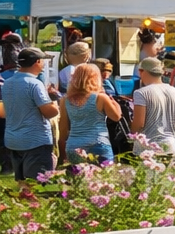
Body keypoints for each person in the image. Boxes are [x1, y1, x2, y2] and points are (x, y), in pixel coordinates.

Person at [2, 48, 59, 180]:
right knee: (39, 185)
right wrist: (55, 102)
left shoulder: (8, 83)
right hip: (35, 141)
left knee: (23, 186)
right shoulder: (34, 84)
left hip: (13, 140)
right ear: (37, 62)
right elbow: (49, 112)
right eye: (43, 61)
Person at [58, 63, 122, 166]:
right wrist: (114, 103)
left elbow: (63, 129)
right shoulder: (100, 98)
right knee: (104, 179)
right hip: (98, 143)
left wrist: (62, 154)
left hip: (74, 145)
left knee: (79, 179)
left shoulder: (65, 100)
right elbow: (116, 117)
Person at [130, 57, 175, 156]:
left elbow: (139, 124)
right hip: (170, 144)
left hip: (148, 147)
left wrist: (131, 137)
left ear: (141, 71)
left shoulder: (141, 93)